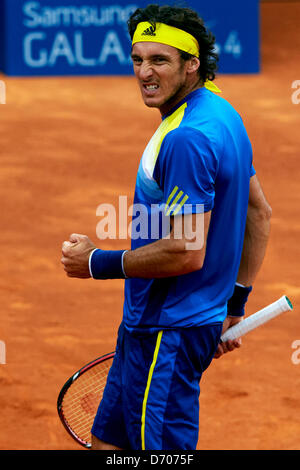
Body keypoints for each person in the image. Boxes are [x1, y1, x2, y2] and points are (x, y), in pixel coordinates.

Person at [61, 4, 272, 450]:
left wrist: (96, 263)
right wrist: (233, 302)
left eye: (159, 60)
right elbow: (259, 214)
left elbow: (185, 250)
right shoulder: (222, 113)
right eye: (138, 59)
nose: (144, 72)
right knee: (110, 445)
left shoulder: (187, 138)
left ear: (192, 64)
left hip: (167, 330)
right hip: (154, 325)